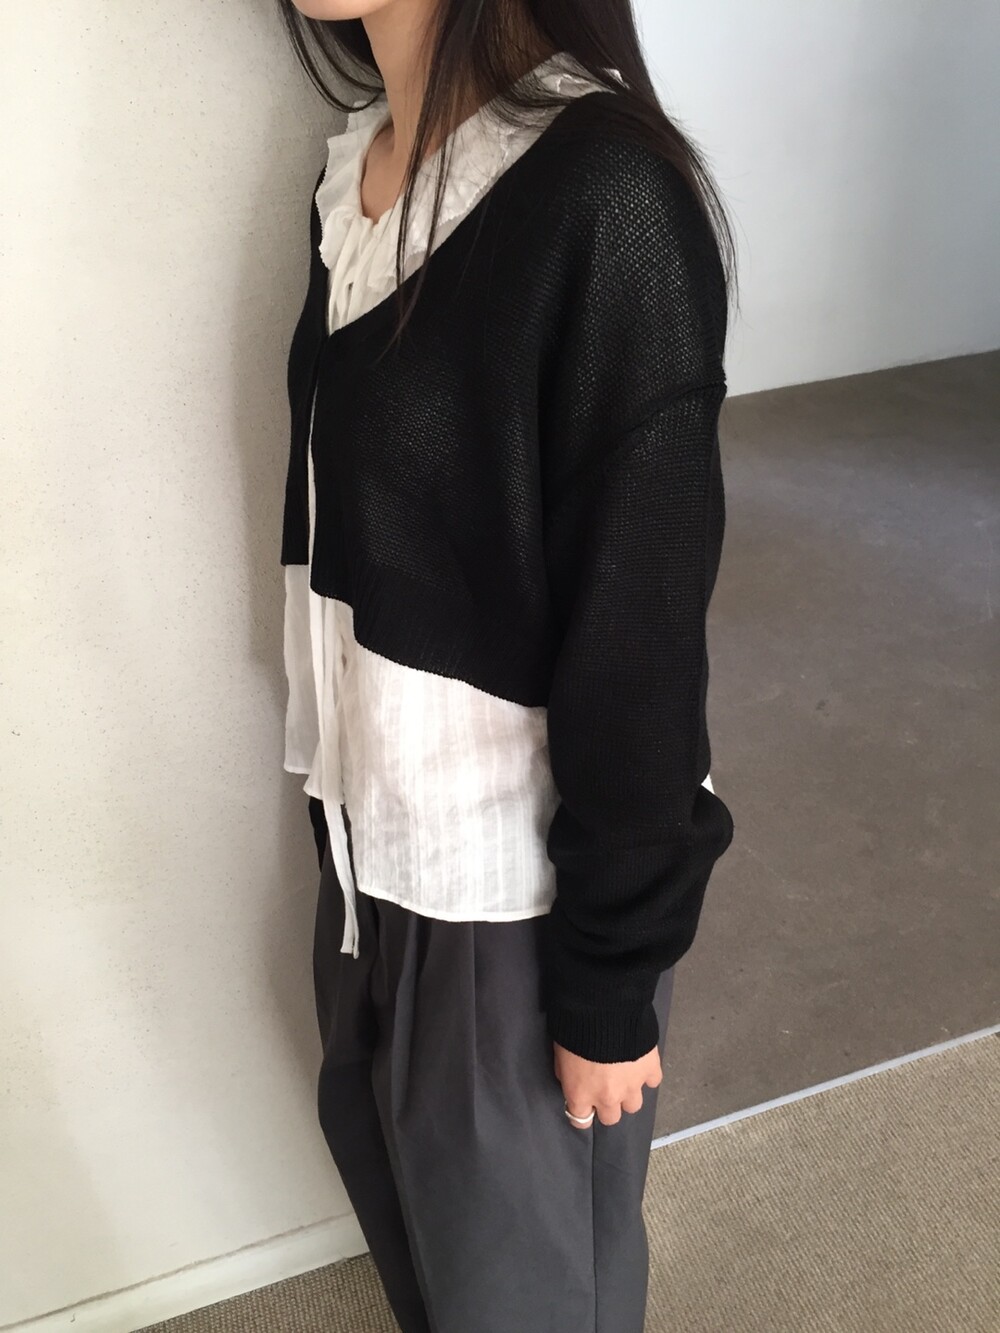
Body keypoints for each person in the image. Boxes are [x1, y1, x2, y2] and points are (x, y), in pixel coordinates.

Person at [277, 2, 739, 1329]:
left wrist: (610, 977)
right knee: (423, 1256)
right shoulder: (355, 179)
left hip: (508, 903)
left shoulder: (604, 189)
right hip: (369, 855)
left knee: (528, 1299)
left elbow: (641, 634)